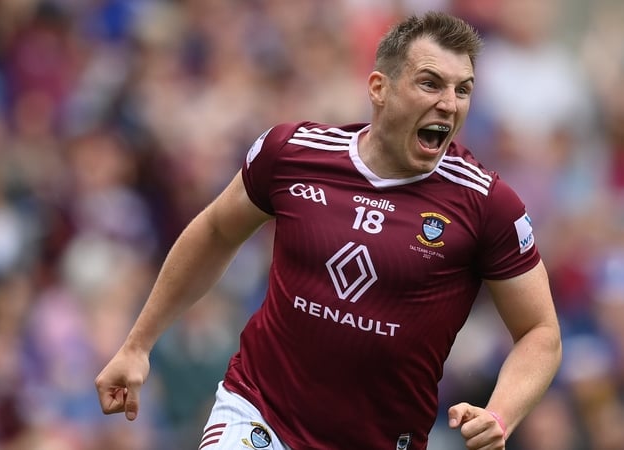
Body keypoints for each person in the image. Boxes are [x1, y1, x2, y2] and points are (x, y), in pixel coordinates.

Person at [94, 11, 562, 450]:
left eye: (463, 90)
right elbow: (217, 231)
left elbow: (540, 331)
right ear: (380, 87)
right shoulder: (292, 153)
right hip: (259, 414)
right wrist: (137, 345)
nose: (448, 103)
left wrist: (500, 415)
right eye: (430, 83)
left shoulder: (486, 204)